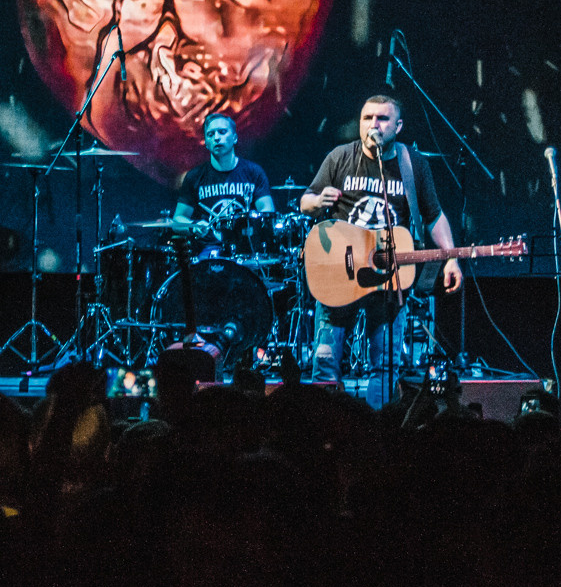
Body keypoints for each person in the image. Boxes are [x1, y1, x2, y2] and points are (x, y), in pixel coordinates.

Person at [300, 95, 463, 407]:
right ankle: (323, 427)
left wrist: (452, 256)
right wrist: (316, 202)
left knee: (385, 365)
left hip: (388, 278)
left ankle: (376, 433)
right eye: (367, 118)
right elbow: (306, 200)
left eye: (382, 119)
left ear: (398, 126)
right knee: (325, 364)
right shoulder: (340, 157)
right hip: (340, 273)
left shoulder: (412, 164)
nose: (373, 124)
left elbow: (434, 216)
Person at [170, 113, 276, 252]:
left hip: (246, 249)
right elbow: (177, 220)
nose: (217, 137)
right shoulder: (194, 176)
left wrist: (251, 222)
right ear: (206, 143)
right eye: (210, 134)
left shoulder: (253, 172)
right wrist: (193, 225)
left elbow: (267, 212)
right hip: (208, 250)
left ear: (235, 138)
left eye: (222, 132)